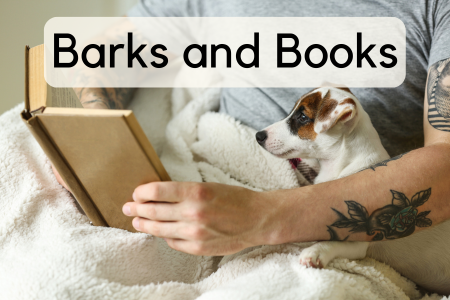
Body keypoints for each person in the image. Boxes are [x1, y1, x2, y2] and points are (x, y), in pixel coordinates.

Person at [54, 0, 450, 263]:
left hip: (338, 227)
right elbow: (114, 48)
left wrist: (263, 217)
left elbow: (446, 167)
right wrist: (92, 130)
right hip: (204, 164)